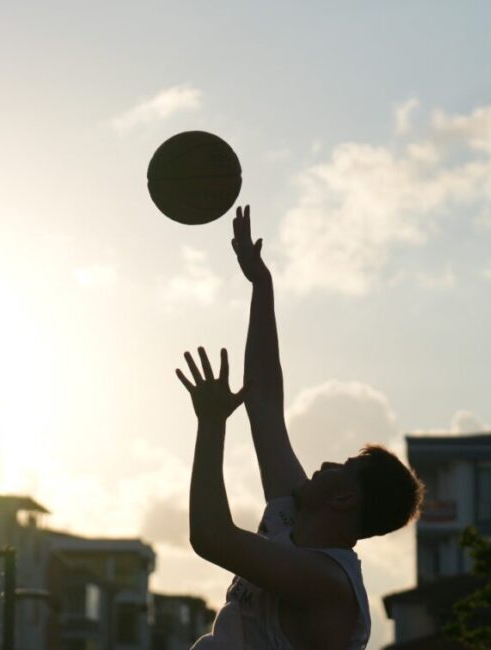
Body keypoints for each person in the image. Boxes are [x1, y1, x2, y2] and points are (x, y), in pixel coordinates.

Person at [175, 206, 424, 649]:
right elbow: (265, 403)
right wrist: (261, 285)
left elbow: (211, 535)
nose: (326, 463)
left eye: (342, 466)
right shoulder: (292, 514)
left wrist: (211, 425)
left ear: (344, 497)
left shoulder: (327, 582)